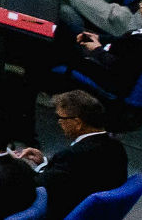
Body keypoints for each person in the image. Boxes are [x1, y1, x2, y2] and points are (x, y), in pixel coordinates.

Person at [13, 90, 127, 220]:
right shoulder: (116, 147)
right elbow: (70, 175)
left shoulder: (74, 155)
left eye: (61, 118)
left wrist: (11, 163)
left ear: (78, 123)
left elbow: (36, 184)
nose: (59, 122)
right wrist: (43, 163)